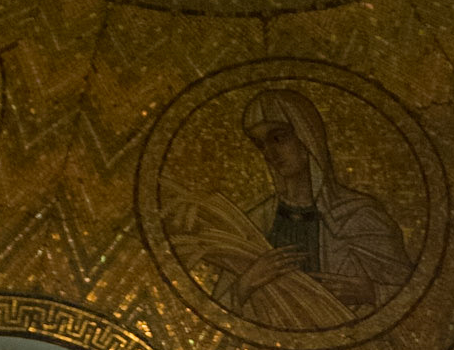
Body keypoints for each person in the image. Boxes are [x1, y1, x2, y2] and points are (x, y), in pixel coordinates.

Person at [169, 87, 411, 327]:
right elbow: (218, 318)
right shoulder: (256, 223)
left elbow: (417, 305)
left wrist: (371, 294)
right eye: (260, 144)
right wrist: (248, 282)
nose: (269, 153)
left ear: (307, 136)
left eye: (279, 137)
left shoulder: (360, 216)